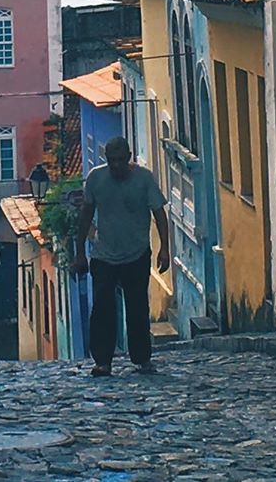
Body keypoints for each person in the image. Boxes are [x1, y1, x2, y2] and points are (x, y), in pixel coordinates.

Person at [71, 136, 170, 377]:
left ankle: (141, 357)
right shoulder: (96, 178)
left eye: (119, 160)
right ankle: (102, 361)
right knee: (102, 308)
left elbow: (159, 213)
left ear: (128, 157)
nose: (115, 165)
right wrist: (79, 253)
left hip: (136, 253)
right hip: (104, 254)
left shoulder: (144, 179)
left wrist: (164, 248)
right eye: (111, 160)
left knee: (137, 307)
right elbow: (86, 214)